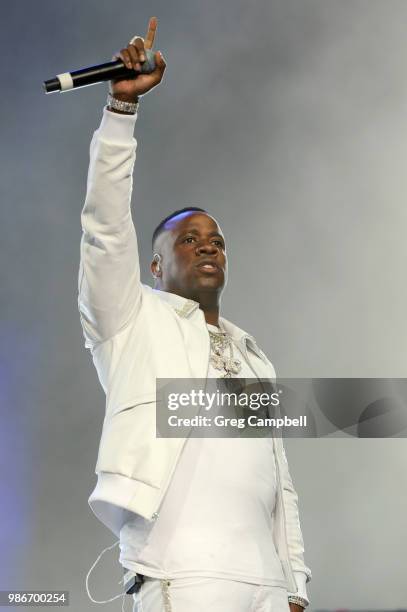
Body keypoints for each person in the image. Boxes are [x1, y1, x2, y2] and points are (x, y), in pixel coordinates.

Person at [78, 17, 312, 612]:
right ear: (154, 266)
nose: (208, 245)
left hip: (267, 580)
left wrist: (295, 581)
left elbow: (277, 473)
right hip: (186, 573)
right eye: (188, 239)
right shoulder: (132, 322)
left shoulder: (253, 350)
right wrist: (120, 114)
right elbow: (105, 229)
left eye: (217, 239)